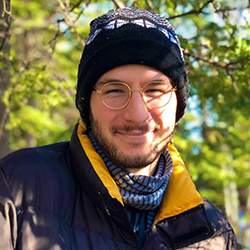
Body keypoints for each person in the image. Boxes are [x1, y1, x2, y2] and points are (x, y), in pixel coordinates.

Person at [0, 7, 238, 250]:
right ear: (87, 106)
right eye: (114, 91)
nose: (137, 114)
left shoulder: (213, 232)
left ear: (179, 104)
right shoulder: (16, 186)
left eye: (155, 90)